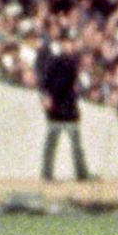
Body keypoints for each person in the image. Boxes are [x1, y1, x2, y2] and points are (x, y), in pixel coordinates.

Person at [37, 37, 88, 180]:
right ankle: (47, 174)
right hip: (58, 108)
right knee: (53, 144)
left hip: (68, 108)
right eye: (68, 43)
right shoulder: (56, 61)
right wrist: (45, 98)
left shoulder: (72, 62)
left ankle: (81, 173)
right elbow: (45, 83)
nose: (70, 46)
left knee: (74, 145)